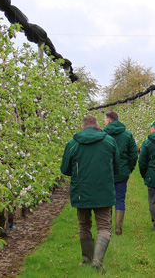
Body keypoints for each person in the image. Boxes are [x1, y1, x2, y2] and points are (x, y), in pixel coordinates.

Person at [60, 115, 120, 273]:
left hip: (82, 191)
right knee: (104, 227)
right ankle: (97, 261)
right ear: (97, 125)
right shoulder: (109, 141)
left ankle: (87, 259)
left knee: (84, 225)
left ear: (82, 127)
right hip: (104, 191)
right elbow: (117, 167)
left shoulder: (73, 144)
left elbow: (65, 169)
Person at [103, 111, 138, 235]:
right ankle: (118, 227)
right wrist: (129, 168)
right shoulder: (127, 135)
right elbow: (133, 154)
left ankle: (107, 226)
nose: (104, 122)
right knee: (120, 199)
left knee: (107, 199)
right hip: (122, 171)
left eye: (105, 120)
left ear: (109, 121)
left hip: (107, 171)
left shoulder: (102, 135)